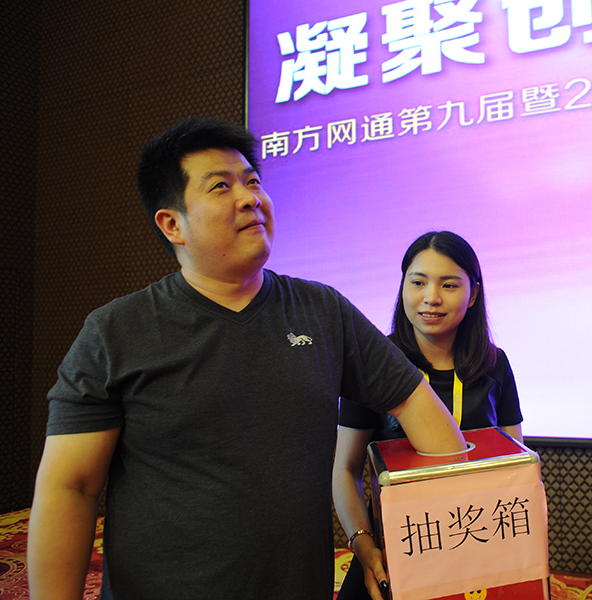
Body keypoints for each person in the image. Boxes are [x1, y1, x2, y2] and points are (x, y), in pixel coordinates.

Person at [26, 118, 465, 600]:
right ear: (172, 224)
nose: (249, 198)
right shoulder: (115, 332)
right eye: (221, 186)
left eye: (252, 182)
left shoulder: (322, 310)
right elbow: (71, 487)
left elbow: (414, 400)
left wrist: (454, 533)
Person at [332, 231, 524, 600]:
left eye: (449, 285)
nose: (431, 297)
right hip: (393, 542)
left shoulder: (495, 364)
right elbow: (345, 470)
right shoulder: (373, 364)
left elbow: (513, 468)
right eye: (418, 282)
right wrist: (363, 543)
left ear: (473, 295)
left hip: (475, 536)